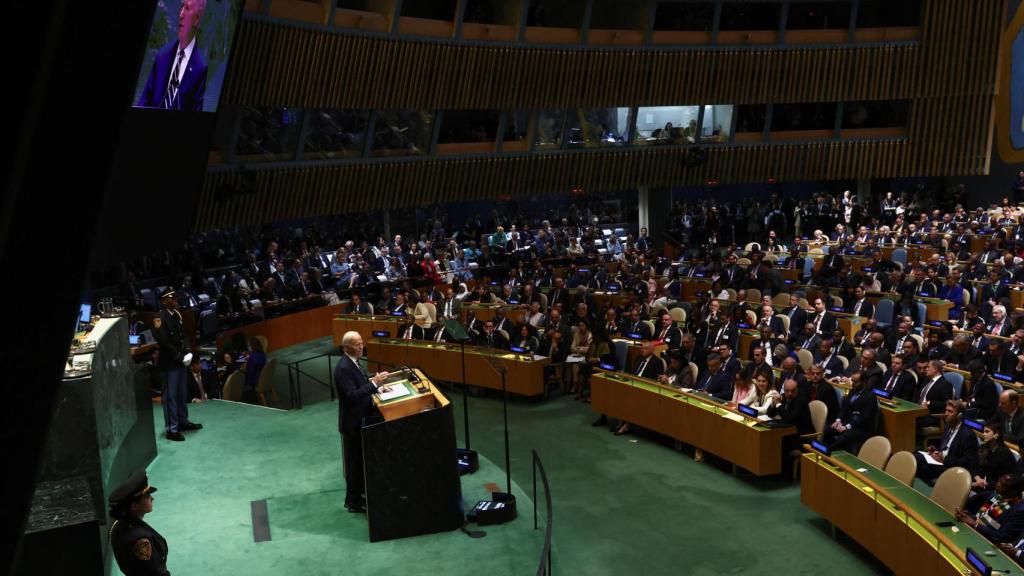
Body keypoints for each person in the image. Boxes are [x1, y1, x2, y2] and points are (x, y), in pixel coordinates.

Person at [335, 331, 391, 513]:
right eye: (357, 344)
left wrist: (378, 387)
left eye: (361, 343)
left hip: (361, 419)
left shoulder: (353, 362)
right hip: (353, 423)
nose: (361, 346)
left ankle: (359, 495)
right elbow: (351, 396)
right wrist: (373, 384)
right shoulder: (343, 368)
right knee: (354, 464)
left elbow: (361, 385)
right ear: (347, 347)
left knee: (359, 461)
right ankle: (353, 501)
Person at [136, 0, 209, 111]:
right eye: (181, 7)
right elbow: (143, 102)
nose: (181, 14)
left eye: (187, 8)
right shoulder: (162, 57)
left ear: (197, 19)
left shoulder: (200, 68)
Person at [153, 288, 201, 441]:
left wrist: (187, 352)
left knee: (181, 393)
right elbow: (164, 342)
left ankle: (183, 421)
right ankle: (171, 429)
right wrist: (180, 356)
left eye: (175, 297)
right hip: (169, 363)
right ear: (164, 301)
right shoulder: (159, 318)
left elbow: (183, 336)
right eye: (171, 298)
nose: (175, 300)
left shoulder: (177, 315)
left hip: (180, 361)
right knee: (170, 397)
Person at [108, 470, 169, 576]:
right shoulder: (139, 540)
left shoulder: (119, 524)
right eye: (147, 496)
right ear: (134, 506)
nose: (152, 498)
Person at [913, 400, 979, 482]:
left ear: (959, 415)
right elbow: (944, 448)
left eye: (950, 411)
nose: (946, 414)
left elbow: (968, 462)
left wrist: (944, 459)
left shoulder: (968, 435)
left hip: (950, 468)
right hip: (940, 461)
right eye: (946, 410)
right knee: (915, 456)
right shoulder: (948, 426)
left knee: (920, 467)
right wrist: (935, 450)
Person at [823, 370, 878, 451]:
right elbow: (844, 408)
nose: (852, 384)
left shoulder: (870, 396)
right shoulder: (853, 390)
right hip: (848, 422)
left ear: (864, 382)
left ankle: (829, 452)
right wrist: (838, 420)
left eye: (855, 382)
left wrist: (846, 427)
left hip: (861, 428)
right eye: (852, 381)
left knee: (844, 437)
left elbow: (864, 418)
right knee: (828, 429)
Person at [972, 421, 1017, 492]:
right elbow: (974, 465)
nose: (983, 434)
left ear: (996, 435)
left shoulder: (1004, 454)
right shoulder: (983, 447)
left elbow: (1002, 480)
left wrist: (980, 483)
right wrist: (977, 478)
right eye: (984, 432)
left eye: (987, 432)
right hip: (977, 481)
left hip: (991, 488)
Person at [242, 336, 267, 404]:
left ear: (252, 346)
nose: (248, 347)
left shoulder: (253, 357)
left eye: (249, 345)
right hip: (262, 377)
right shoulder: (262, 354)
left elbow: (250, 373)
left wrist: (243, 370)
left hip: (254, 380)